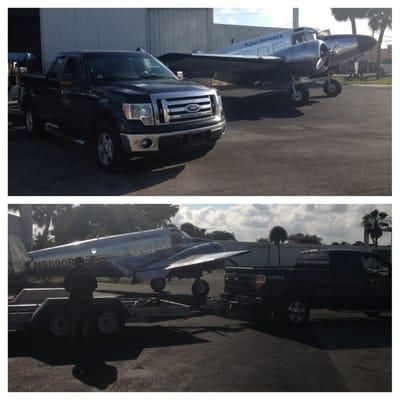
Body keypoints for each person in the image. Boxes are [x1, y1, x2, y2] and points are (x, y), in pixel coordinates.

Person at [63, 257, 97, 342]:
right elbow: (95, 286)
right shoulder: (90, 271)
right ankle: (84, 338)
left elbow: (65, 283)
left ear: (76, 262)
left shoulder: (72, 271)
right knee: (85, 320)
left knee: (73, 319)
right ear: (83, 262)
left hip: (75, 297)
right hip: (87, 298)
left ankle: (71, 338)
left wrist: (70, 290)